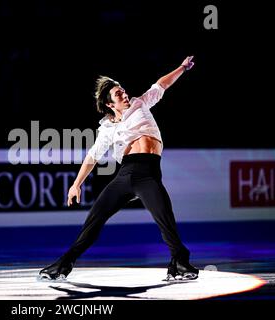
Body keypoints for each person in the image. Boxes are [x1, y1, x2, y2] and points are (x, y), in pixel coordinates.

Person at [39, 56, 199, 281]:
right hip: (125, 175)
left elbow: (161, 85)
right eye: (118, 94)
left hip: (148, 174)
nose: (124, 94)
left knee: (164, 217)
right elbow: (93, 156)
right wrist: (76, 185)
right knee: (94, 220)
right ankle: (62, 265)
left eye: (122, 90)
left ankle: (179, 263)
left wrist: (182, 68)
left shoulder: (140, 103)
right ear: (109, 104)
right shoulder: (106, 129)